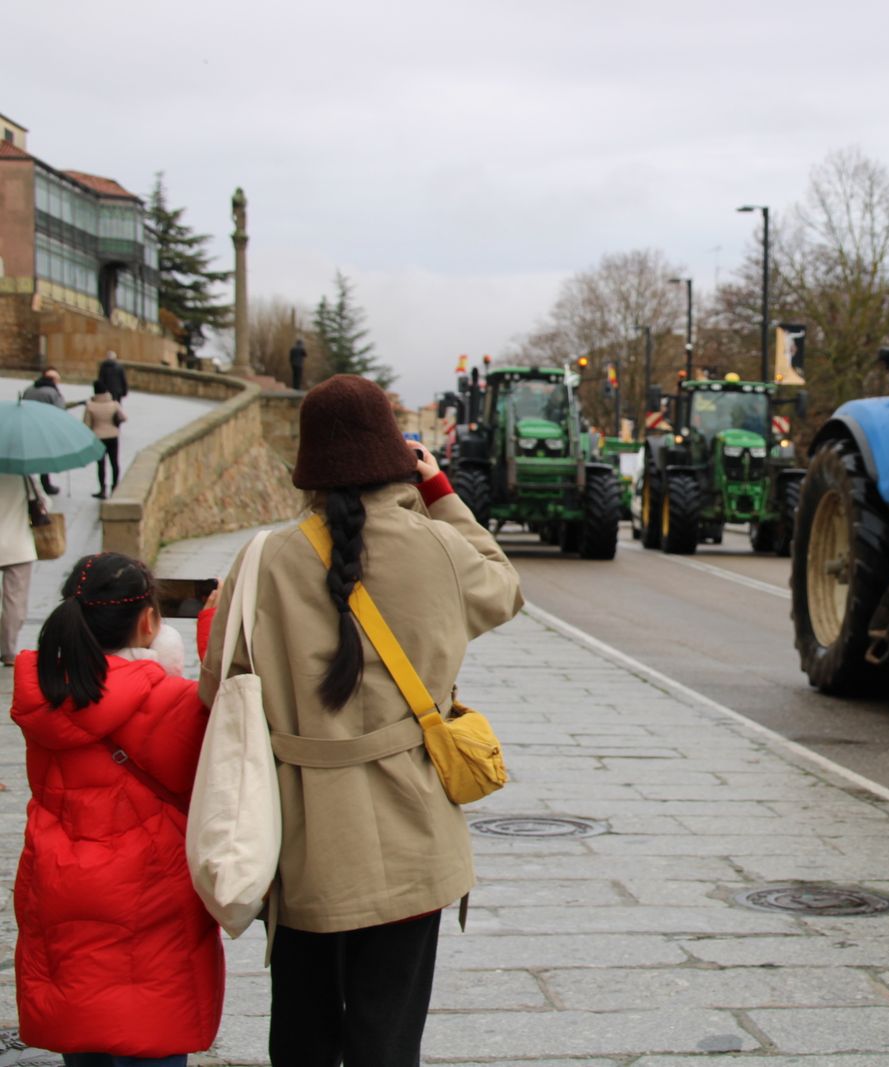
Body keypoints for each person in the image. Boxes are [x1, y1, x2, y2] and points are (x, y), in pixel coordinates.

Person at [200, 374, 523, 1066]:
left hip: (305, 842)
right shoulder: (436, 546)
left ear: (310, 464)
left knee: (303, 1037)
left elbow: (215, 692)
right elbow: (504, 588)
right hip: (415, 838)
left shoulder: (264, 560)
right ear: (393, 455)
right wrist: (438, 493)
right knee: (389, 1040)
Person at [10, 552, 225, 1064]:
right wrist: (213, 633)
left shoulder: (45, 693)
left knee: (83, 1026)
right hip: (153, 898)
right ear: (150, 621)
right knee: (151, 1032)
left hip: (60, 887)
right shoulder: (171, 701)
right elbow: (234, 729)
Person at [0, 474, 37, 666]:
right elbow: (43, 502)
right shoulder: (21, 473)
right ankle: (8, 650)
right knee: (14, 601)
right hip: (18, 546)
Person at [21, 368, 66, 495]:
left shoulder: (29, 389)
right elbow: (60, 412)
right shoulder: (53, 393)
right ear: (52, 380)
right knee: (44, 457)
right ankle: (46, 485)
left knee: (26, 456)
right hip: (45, 429)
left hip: (28, 427)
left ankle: (26, 483)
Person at [83, 379, 128, 499]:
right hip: (113, 436)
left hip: (98, 438)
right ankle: (115, 486)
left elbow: (86, 424)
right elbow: (124, 418)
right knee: (114, 462)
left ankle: (103, 489)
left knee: (101, 464)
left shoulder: (90, 406)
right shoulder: (114, 404)